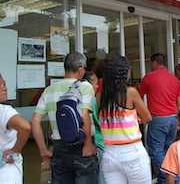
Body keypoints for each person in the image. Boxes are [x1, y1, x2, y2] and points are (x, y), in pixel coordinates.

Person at [32, 52, 98, 184]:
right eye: (84, 69)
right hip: (81, 146)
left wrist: (43, 150)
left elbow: (35, 121)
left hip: (59, 148)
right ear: (80, 69)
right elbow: (84, 114)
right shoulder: (85, 87)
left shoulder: (49, 90)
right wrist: (88, 144)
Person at [97, 54, 151, 183]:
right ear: (124, 73)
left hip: (109, 154)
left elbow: (113, 117)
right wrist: (136, 119)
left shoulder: (100, 96)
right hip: (132, 152)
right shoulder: (130, 92)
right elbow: (147, 117)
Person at [140, 53, 180, 184]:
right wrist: (178, 120)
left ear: (154, 63)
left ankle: (173, 178)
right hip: (173, 119)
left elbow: (138, 97)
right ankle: (164, 180)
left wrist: (141, 115)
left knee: (156, 151)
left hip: (158, 119)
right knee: (168, 151)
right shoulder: (174, 79)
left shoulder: (148, 78)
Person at [0, 74, 31, 183]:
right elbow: (25, 127)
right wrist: (15, 150)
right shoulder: (4, 111)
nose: (4, 88)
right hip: (7, 173)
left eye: (4, 84)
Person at [83, 69, 106, 184]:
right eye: (95, 83)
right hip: (98, 142)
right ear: (88, 84)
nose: (97, 86)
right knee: (102, 177)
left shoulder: (79, 97)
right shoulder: (91, 100)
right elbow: (98, 122)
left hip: (87, 143)